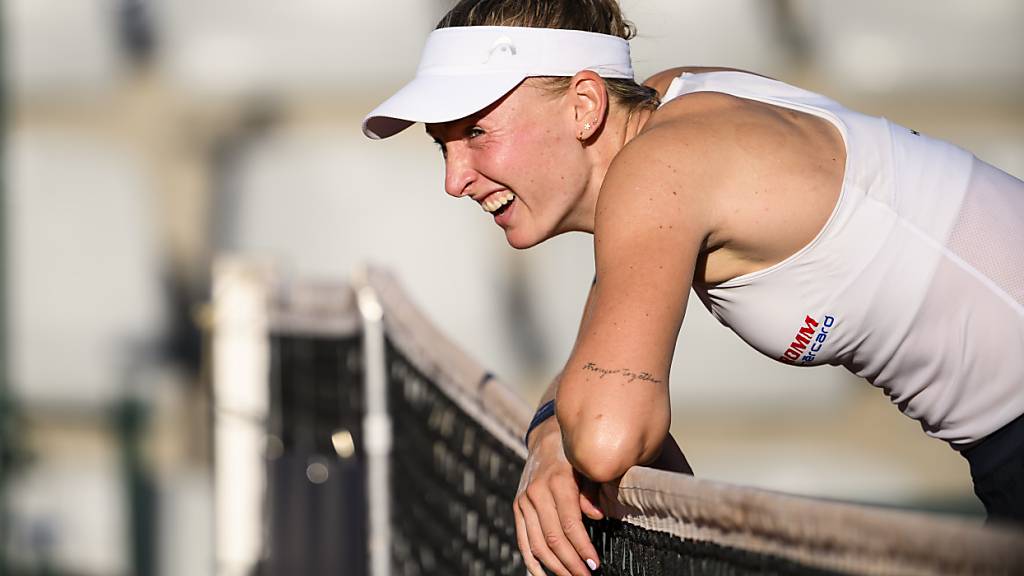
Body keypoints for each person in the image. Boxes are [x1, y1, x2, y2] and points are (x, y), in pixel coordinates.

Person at [363, 1, 1024, 574]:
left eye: (476, 132)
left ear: (585, 105)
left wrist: (558, 439)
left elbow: (606, 437)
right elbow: (598, 370)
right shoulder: (668, 110)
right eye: (443, 146)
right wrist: (548, 436)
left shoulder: (661, 167)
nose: (453, 180)